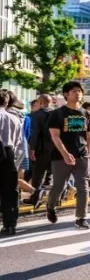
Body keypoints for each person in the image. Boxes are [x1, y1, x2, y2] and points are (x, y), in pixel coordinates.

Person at [45, 81, 90, 230]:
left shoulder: (87, 114)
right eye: (74, 91)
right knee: (58, 186)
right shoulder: (57, 114)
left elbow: (89, 135)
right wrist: (65, 154)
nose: (78, 93)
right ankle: (50, 206)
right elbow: (55, 136)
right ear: (66, 94)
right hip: (61, 156)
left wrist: (89, 154)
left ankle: (81, 217)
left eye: (79, 91)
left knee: (83, 186)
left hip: (82, 155)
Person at [0, 90, 23, 235]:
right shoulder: (14, 119)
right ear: (7, 102)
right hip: (9, 154)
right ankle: (10, 224)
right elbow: (19, 144)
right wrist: (16, 161)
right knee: (10, 190)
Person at [26, 94, 52, 207]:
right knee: (58, 173)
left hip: (41, 148)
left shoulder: (35, 116)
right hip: (55, 148)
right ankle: (59, 196)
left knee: (38, 174)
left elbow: (34, 133)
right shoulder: (56, 114)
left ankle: (35, 197)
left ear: (40, 102)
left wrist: (32, 149)